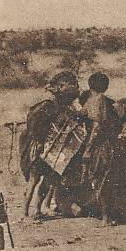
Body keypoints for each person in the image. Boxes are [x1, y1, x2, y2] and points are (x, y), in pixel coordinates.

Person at [20, 71, 80, 219]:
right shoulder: (46, 105)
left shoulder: (65, 106)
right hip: (40, 147)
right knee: (34, 180)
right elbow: (34, 125)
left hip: (53, 149)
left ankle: (37, 210)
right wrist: (40, 141)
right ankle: (25, 212)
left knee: (47, 181)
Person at [80, 72, 123, 226]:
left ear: (90, 84)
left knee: (102, 179)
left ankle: (106, 218)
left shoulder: (97, 100)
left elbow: (96, 127)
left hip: (100, 145)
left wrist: (88, 150)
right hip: (107, 144)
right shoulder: (98, 100)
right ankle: (106, 216)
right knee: (103, 179)